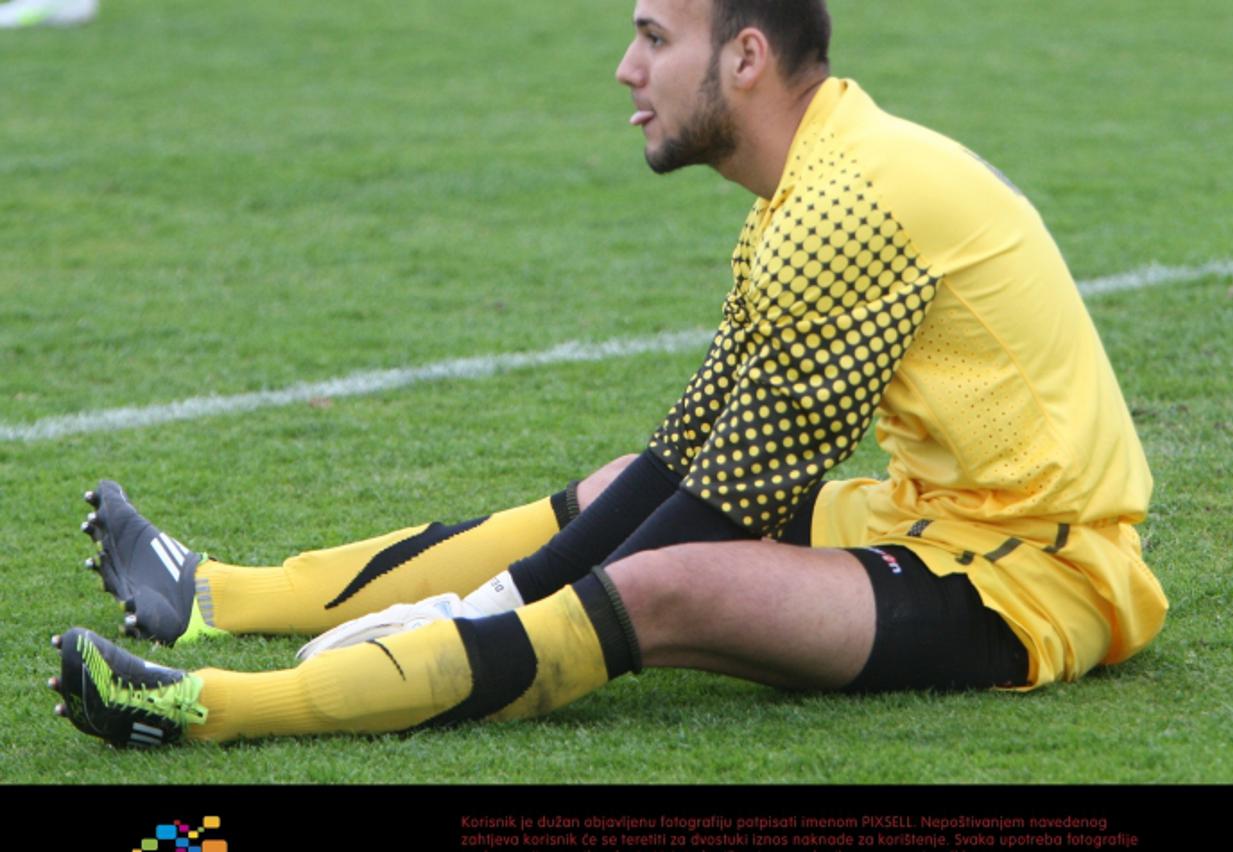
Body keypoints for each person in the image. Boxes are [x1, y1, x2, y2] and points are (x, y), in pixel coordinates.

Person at [50, 0, 1168, 748]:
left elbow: (727, 510)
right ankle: (218, 597)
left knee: (663, 584)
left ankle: (210, 710)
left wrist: (476, 614)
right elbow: (689, 450)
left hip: (1035, 579)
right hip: (936, 520)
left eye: (651, 35)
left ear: (744, 55)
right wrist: (496, 598)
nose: (625, 67)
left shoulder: (846, 202)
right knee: (619, 484)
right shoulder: (815, 178)